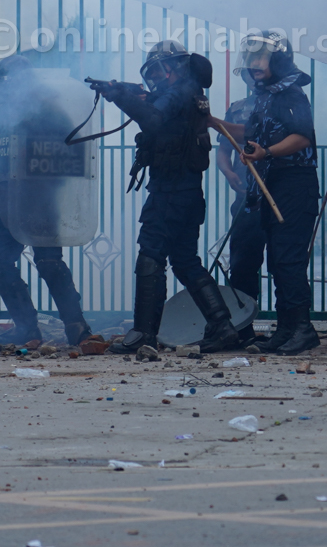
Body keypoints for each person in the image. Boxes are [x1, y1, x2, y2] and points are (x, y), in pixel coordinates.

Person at [87, 40, 239, 354]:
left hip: (170, 192)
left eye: (159, 69)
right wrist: (125, 91)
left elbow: (153, 118)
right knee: (184, 261)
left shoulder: (180, 92)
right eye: (151, 71)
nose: (155, 77)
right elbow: (154, 105)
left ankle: (143, 334)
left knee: (151, 254)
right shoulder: (189, 92)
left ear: (175, 67)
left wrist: (120, 97)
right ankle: (222, 326)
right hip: (185, 192)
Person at [0, 55, 93, 347]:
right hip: (10, 202)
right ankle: (27, 328)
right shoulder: (2, 116)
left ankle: (77, 325)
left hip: (40, 199)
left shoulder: (49, 110)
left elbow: (71, 155)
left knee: (48, 262)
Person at [225, 31, 320, 356]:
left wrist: (265, 152)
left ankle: (303, 329)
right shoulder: (265, 96)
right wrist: (213, 123)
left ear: (278, 60)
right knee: (278, 261)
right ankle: (286, 329)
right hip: (272, 185)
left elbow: (302, 137)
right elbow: (252, 133)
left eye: (260, 57)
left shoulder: (291, 94)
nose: (253, 64)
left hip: (295, 184)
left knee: (289, 259)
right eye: (249, 57)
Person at [216, 73, 265, 346]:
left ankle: (290, 326)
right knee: (243, 264)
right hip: (247, 198)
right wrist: (228, 173)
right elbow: (223, 150)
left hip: (278, 194)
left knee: (285, 264)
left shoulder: (282, 105)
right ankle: (243, 328)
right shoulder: (237, 108)